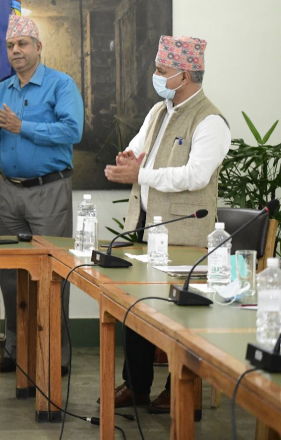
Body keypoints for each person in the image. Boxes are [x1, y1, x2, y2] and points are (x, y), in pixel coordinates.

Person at [103, 35, 229, 413]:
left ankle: (183, 392)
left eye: (161, 70)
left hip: (185, 234)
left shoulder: (211, 121)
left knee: (183, 317)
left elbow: (195, 175)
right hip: (145, 229)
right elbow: (140, 147)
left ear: (185, 74)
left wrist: (141, 172)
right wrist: (130, 157)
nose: (155, 76)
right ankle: (136, 386)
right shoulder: (161, 110)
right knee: (136, 307)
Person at [0, 15, 82, 373]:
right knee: (10, 273)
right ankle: (15, 348)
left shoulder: (60, 85)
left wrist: (23, 126)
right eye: (10, 46)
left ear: (38, 47)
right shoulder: (2, 90)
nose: (16, 51)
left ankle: (56, 353)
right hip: (10, 192)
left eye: (22, 44)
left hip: (48, 190)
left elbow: (72, 130)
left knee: (52, 272)